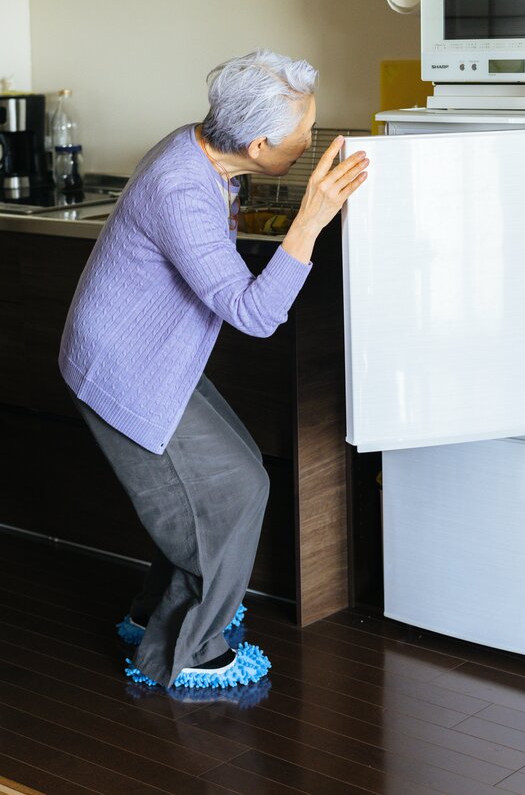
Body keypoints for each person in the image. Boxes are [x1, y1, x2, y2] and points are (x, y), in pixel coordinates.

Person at [59, 50, 368, 691]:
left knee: (234, 476)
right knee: (234, 492)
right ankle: (186, 653)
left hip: (152, 354)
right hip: (122, 365)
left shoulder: (201, 146)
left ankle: (152, 616)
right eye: (305, 133)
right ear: (258, 145)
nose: (310, 143)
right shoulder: (179, 185)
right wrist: (310, 219)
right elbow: (253, 315)